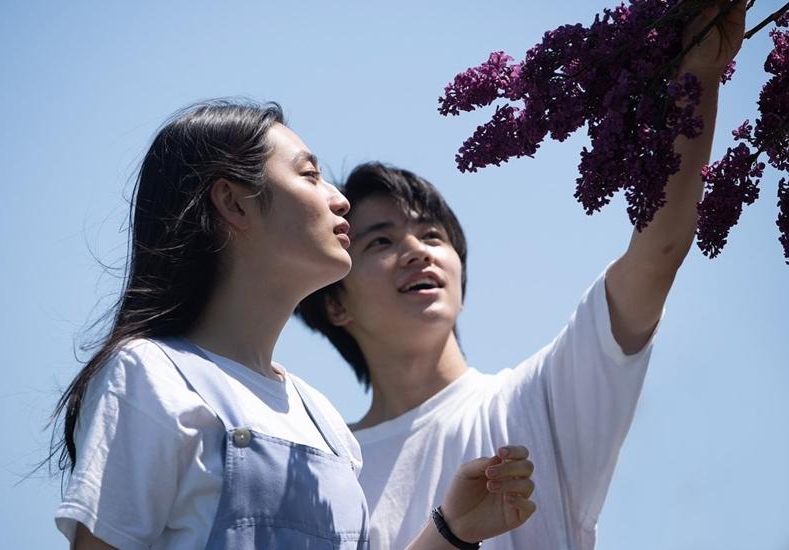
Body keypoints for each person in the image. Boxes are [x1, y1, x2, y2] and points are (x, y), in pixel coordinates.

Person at [296, 3, 745, 549]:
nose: (417, 250)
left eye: (433, 236)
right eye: (381, 242)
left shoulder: (537, 400)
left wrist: (699, 75)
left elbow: (658, 253)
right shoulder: (324, 471)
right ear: (334, 304)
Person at [49, 99, 536, 550]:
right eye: (310, 175)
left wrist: (450, 529)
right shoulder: (152, 374)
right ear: (234, 203)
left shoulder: (322, 419)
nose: (339, 199)